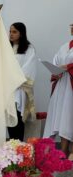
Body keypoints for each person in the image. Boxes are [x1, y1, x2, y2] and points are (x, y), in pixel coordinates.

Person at [43, 24, 73, 159]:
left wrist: (68, 67)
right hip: (62, 85)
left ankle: (67, 151)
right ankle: (61, 152)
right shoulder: (64, 46)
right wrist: (55, 72)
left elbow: (67, 65)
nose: (72, 28)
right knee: (60, 117)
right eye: (72, 26)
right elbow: (56, 63)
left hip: (71, 86)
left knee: (68, 117)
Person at [8, 22, 37, 141]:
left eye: (14, 32)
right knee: (9, 118)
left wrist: (14, 79)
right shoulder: (6, 48)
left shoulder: (28, 49)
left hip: (19, 89)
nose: (11, 34)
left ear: (21, 33)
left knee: (18, 119)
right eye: (10, 31)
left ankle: (19, 147)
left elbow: (29, 69)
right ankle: (10, 147)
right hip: (8, 90)